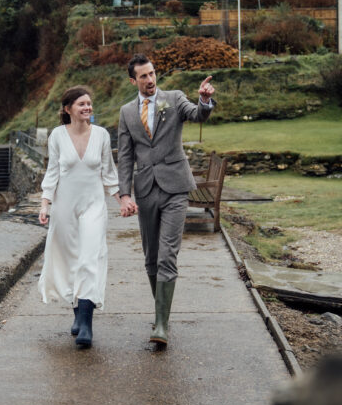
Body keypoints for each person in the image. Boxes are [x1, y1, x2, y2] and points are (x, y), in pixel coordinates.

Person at [117, 54, 216, 348]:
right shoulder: (126, 112)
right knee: (150, 257)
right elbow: (124, 157)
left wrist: (204, 101)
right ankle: (162, 312)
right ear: (133, 80)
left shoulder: (173, 98)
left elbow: (197, 115)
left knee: (167, 255)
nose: (150, 80)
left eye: (152, 73)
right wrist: (124, 194)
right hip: (146, 189)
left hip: (175, 187)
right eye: (144, 76)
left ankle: (161, 324)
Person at [38, 86, 125, 348]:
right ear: (68, 109)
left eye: (89, 103)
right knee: (70, 261)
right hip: (64, 208)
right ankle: (77, 313)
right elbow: (52, 172)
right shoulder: (57, 135)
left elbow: (109, 173)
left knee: (90, 258)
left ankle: (86, 323)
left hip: (93, 207)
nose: (87, 108)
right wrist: (45, 204)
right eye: (81, 104)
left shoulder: (100, 135)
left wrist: (122, 200)